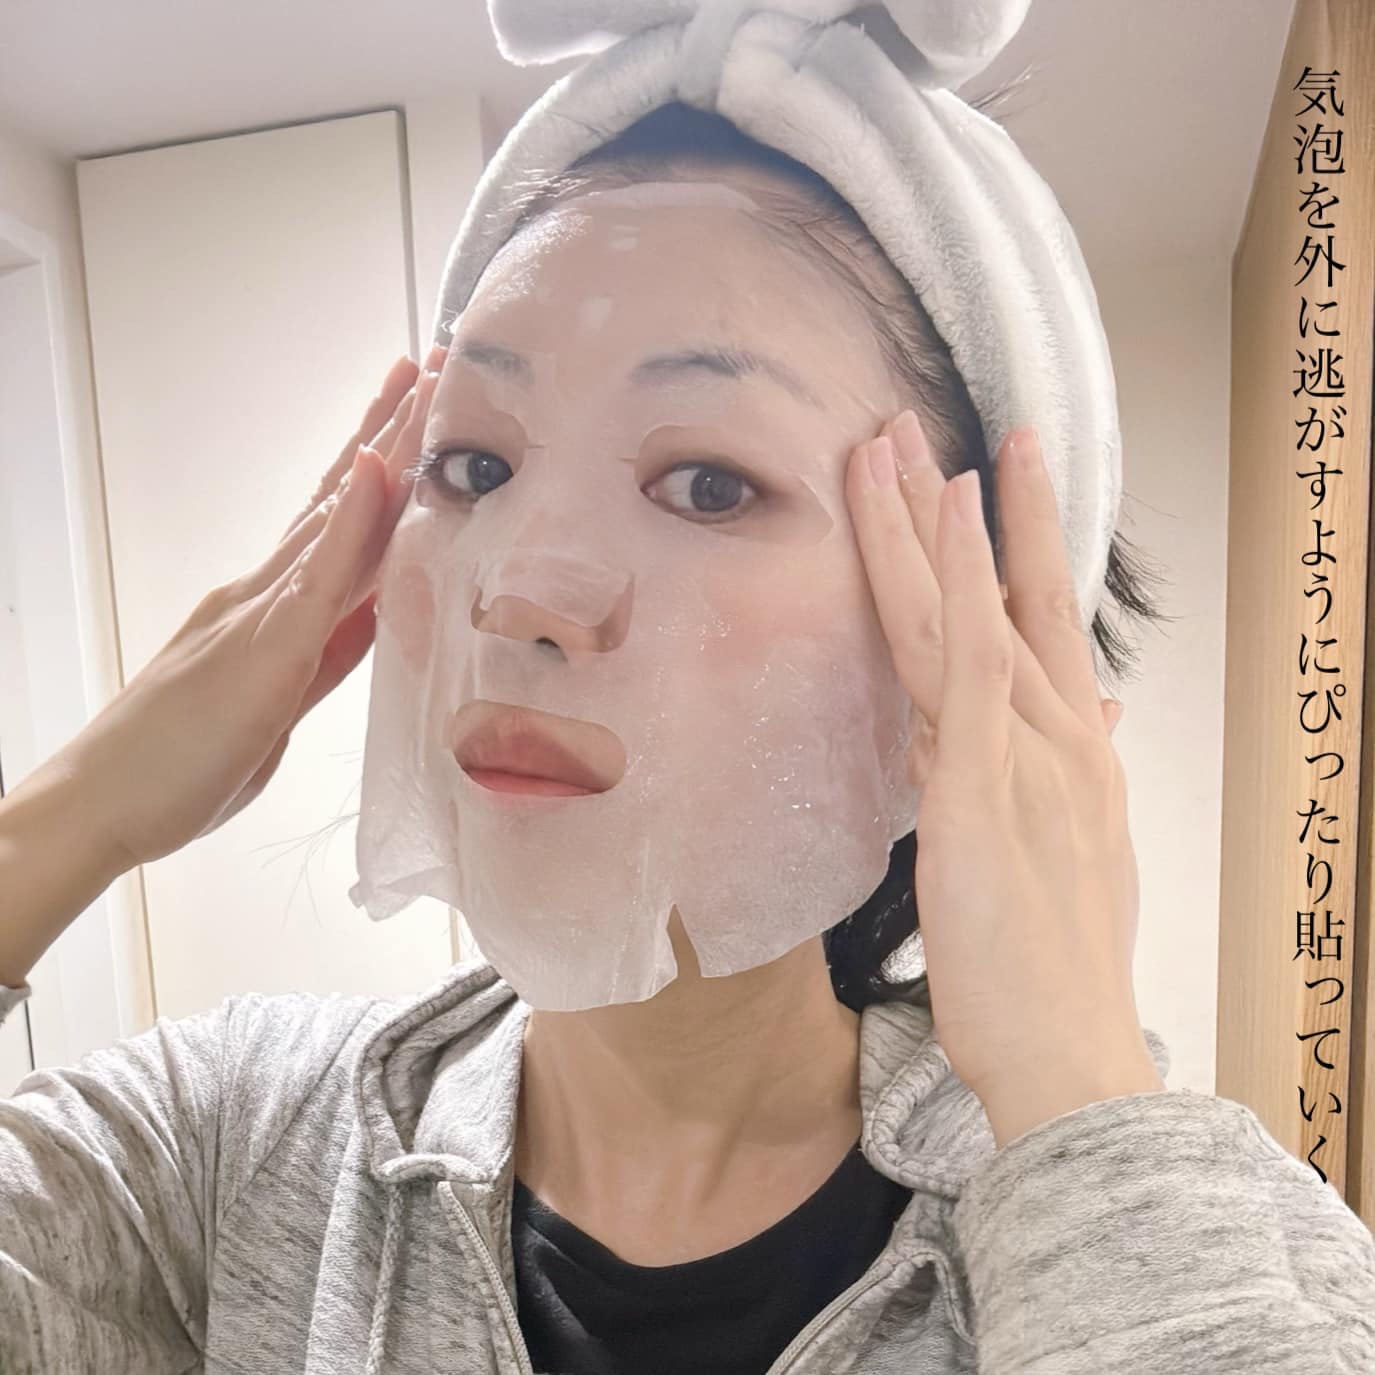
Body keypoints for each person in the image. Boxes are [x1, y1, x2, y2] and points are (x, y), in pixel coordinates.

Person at [5, 9, 1375, 1375]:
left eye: (710, 485)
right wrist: (73, 817)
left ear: (972, 636)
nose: (518, 592)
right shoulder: (237, 1150)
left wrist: (1071, 1088)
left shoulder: (1229, 1251)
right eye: (475, 467)